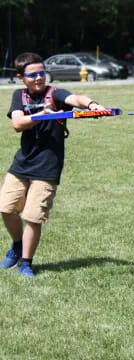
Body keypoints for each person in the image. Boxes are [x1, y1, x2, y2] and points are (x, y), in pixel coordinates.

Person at [0, 52, 105, 278]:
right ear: (21, 78)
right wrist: (42, 114)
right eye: (33, 75)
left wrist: (92, 105)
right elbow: (17, 123)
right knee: (6, 208)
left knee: (33, 216)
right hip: (22, 163)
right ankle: (17, 246)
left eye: (41, 73)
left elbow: (76, 99)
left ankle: (26, 262)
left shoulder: (54, 94)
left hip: (48, 167)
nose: (39, 78)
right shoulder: (20, 96)